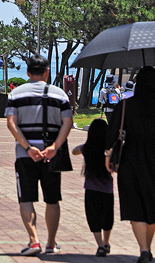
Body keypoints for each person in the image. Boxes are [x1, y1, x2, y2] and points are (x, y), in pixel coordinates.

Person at [6, 55, 73, 257]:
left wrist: (27, 148)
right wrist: (54, 146)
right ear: (47, 72)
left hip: (25, 155)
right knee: (52, 199)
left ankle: (34, 240)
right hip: (51, 154)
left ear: (27, 73)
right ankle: (51, 243)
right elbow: (67, 122)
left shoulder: (15, 94)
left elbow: (11, 123)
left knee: (26, 198)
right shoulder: (59, 94)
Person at [106, 66, 155, 263]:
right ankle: (148, 248)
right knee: (152, 206)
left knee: (135, 205)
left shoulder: (126, 105)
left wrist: (107, 154)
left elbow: (111, 135)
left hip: (132, 159)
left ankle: (143, 249)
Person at [72, 118, 114, 257]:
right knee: (107, 216)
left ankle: (100, 245)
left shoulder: (88, 148)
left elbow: (74, 151)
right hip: (107, 190)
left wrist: (87, 145)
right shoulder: (108, 151)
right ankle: (106, 242)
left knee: (93, 217)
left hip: (90, 188)